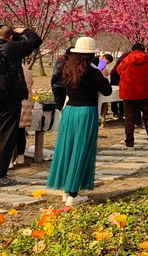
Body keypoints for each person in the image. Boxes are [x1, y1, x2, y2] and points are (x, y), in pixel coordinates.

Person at [46, 37, 112, 207]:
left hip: (70, 111)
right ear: (91, 54)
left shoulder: (67, 68)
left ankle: (65, 189)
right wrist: (103, 73)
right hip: (86, 112)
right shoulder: (94, 71)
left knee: (66, 149)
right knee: (81, 150)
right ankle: (73, 195)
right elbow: (106, 90)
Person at [0, 25, 42, 188]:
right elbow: (36, 40)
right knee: (6, 136)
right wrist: (25, 30)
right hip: (8, 98)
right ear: (11, 37)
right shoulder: (11, 48)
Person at [117, 42, 148, 148]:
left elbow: (118, 71)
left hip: (128, 93)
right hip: (144, 92)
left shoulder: (126, 59)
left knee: (129, 119)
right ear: (143, 50)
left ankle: (129, 143)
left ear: (132, 49)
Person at [10, 66, 34, 168]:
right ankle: (21, 157)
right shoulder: (28, 72)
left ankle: (9, 160)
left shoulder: (10, 69)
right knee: (21, 132)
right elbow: (31, 84)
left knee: (9, 134)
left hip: (14, 103)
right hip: (26, 103)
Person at [50, 47, 72, 111]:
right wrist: (52, 82)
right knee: (58, 105)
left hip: (62, 85)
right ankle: (55, 119)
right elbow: (57, 72)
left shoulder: (63, 59)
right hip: (59, 85)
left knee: (59, 104)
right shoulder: (63, 61)